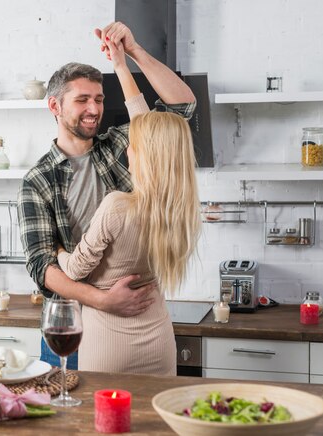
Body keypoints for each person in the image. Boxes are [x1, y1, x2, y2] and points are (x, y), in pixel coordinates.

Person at [17, 22, 196, 368]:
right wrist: (103, 301)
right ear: (54, 105)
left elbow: (182, 110)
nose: (94, 109)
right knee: (69, 418)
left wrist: (133, 53)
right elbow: (43, 267)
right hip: (68, 324)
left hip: (134, 323)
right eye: (82, 99)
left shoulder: (120, 145)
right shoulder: (38, 179)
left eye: (98, 99)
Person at [57, 109, 202, 375]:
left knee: (108, 417)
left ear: (146, 156)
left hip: (109, 345)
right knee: (155, 415)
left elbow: (75, 269)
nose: (127, 153)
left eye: (132, 147)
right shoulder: (180, 210)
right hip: (160, 342)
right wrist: (123, 67)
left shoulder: (117, 206)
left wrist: (58, 250)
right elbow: (149, 123)